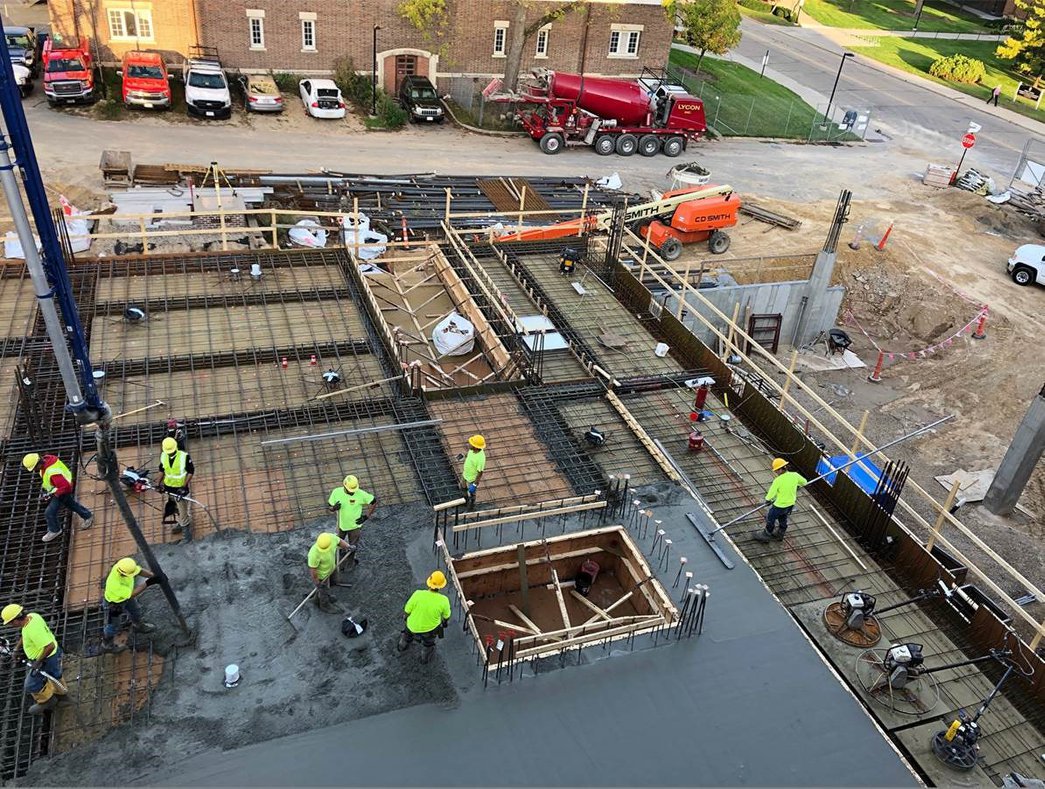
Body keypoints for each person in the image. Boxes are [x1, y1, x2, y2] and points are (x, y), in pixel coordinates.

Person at [1, 604, 66, 714]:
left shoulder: (34, 631)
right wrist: (17, 648)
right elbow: (25, 634)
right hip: (50, 655)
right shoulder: (32, 616)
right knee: (54, 674)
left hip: (47, 658)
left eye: (11, 623)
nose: (11, 625)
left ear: (16, 620)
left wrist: (38, 662)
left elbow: (50, 646)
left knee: (30, 685)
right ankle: (62, 694)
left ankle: (48, 701)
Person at [22, 453, 93, 544]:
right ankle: (87, 516)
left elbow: (65, 487)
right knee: (71, 504)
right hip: (58, 489)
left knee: (49, 513)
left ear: (38, 464)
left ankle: (55, 530)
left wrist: (55, 494)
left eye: (34, 468)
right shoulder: (48, 461)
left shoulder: (53, 472)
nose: (34, 470)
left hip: (62, 492)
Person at [101, 557, 158, 653]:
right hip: (114, 605)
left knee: (136, 611)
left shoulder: (123, 567)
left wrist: (152, 575)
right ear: (123, 573)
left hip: (125, 598)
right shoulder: (116, 583)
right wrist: (149, 582)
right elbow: (132, 594)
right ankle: (107, 645)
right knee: (113, 626)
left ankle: (139, 626)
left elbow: (139, 571)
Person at [398, 571, 452, 664]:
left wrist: (405, 618)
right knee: (428, 644)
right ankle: (424, 659)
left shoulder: (418, 594)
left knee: (406, 635)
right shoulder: (444, 601)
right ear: (442, 586)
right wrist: (445, 622)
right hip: (429, 630)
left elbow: (407, 610)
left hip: (412, 626)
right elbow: (446, 616)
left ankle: (401, 647)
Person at [753, 458, 808, 543]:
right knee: (783, 518)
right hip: (790, 504)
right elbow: (804, 482)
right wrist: (797, 486)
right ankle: (780, 534)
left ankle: (766, 535)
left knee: (770, 518)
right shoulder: (795, 475)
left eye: (776, 470)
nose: (776, 472)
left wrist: (767, 500)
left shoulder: (778, 480)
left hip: (780, 505)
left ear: (781, 469)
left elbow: (772, 492)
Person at [326, 475, 376, 563]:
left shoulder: (361, 494)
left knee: (353, 546)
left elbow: (374, 502)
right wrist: (334, 508)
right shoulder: (336, 492)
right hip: (341, 525)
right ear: (345, 486)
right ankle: (339, 555)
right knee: (338, 542)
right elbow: (329, 507)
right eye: (350, 490)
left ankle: (350, 562)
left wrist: (366, 516)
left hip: (355, 526)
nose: (352, 492)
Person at [157, 437, 194, 535]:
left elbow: (191, 471)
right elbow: (162, 470)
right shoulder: (163, 456)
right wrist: (158, 483)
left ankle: (187, 535)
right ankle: (181, 523)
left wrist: (184, 486)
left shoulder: (184, 456)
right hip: (169, 488)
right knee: (175, 509)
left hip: (180, 490)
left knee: (183, 512)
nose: (170, 453)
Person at [308, 532, 350, 613]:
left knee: (332, 582)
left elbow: (340, 541)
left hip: (331, 567)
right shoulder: (313, 554)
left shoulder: (332, 538)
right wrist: (317, 583)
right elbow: (313, 571)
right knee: (324, 589)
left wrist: (348, 547)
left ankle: (316, 599)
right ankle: (324, 605)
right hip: (322, 575)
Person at [462, 434, 486, 510]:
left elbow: (480, 473)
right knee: (462, 486)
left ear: (475, 447)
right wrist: (463, 456)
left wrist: (475, 484)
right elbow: (468, 454)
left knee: (472, 493)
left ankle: (471, 506)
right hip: (465, 474)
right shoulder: (472, 450)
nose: (469, 444)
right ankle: (465, 501)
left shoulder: (481, 458)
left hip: (472, 479)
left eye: (471, 443)